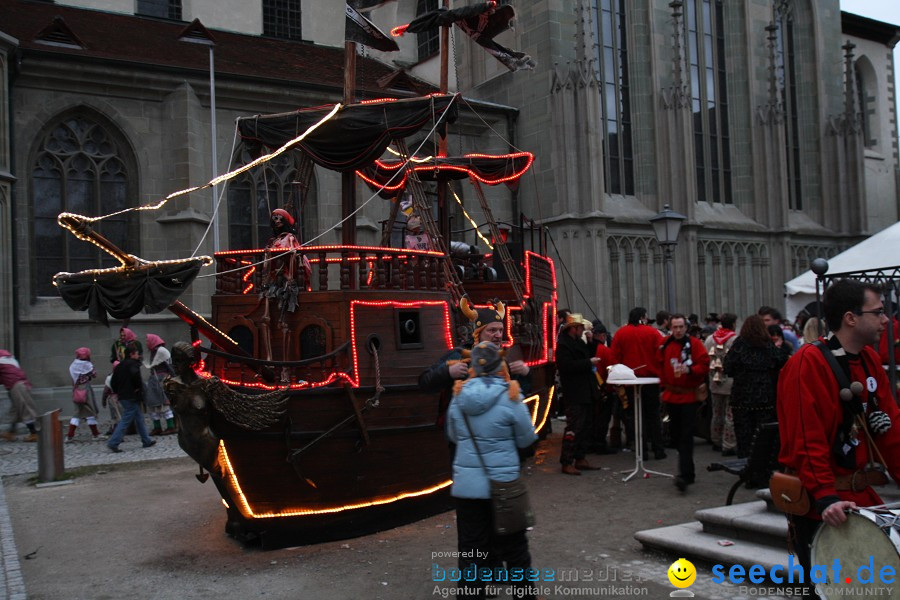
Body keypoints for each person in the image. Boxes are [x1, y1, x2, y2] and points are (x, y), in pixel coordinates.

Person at [777, 279, 900, 575]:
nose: (886, 319)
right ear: (850, 318)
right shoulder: (807, 363)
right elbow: (807, 438)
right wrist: (825, 496)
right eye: (878, 312)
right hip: (824, 504)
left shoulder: (869, 359)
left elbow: (891, 429)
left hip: (859, 498)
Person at [445, 341, 538, 600]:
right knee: (516, 549)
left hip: (467, 489)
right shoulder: (511, 396)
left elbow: (452, 435)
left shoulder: (458, 397)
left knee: (472, 550)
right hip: (504, 485)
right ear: (500, 366)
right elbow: (526, 438)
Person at [658, 314, 710, 492]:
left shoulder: (695, 345)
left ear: (686, 328)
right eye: (675, 327)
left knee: (686, 436)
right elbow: (660, 365)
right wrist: (662, 387)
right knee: (675, 436)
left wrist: (689, 369)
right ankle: (688, 471)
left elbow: (704, 365)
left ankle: (685, 475)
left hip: (689, 397)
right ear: (671, 328)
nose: (678, 330)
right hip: (672, 396)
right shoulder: (665, 345)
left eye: (681, 327)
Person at [724, 316, 789, 459]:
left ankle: (746, 467)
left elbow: (727, 367)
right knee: (764, 438)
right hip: (764, 398)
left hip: (741, 398)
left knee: (744, 437)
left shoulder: (739, 344)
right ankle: (762, 469)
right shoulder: (767, 344)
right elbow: (782, 361)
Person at [610, 306, 666, 459]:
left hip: (630, 382)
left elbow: (614, 358)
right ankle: (658, 449)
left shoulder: (621, 333)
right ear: (643, 317)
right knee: (653, 416)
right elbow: (662, 354)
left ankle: (642, 451)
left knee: (635, 416)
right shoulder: (652, 333)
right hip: (651, 380)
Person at [556, 313, 602, 475]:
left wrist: (590, 343)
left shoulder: (578, 342)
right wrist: (588, 362)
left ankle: (580, 457)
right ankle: (566, 460)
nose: (583, 330)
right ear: (574, 329)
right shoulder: (563, 345)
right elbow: (567, 366)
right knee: (574, 427)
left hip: (586, 390)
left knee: (586, 426)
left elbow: (586, 355)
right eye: (581, 327)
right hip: (575, 392)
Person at [107, 341, 157, 453]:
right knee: (126, 419)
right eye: (136, 353)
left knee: (139, 418)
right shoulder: (133, 364)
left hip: (123, 395)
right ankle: (113, 442)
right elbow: (136, 377)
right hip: (131, 395)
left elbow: (113, 381)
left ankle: (146, 440)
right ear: (132, 354)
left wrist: (117, 391)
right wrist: (138, 388)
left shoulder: (120, 366)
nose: (138, 355)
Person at [704, 312, 737, 456]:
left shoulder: (710, 339)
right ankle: (728, 443)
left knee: (717, 413)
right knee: (730, 415)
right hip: (730, 382)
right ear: (733, 324)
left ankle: (716, 439)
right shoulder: (735, 339)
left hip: (715, 381)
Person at [66, 347, 104, 442]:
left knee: (77, 412)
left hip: (76, 389)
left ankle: (70, 436)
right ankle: (95, 434)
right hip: (85, 389)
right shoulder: (87, 364)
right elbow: (94, 374)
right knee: (90, 411)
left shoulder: (73, 364)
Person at [0, 350, 39, 442]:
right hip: (16, 384)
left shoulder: (2, 362)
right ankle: (11, 432)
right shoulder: (8, 360)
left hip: (16, 385)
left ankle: (34, 433)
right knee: (16, 410)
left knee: (25, 409)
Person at [144, 334, 176, 435]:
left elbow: (169, 366)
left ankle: (171, 426)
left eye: (147, 340)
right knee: (154, 404)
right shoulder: (153, 352)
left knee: (164, 403)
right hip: (154, 381)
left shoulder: (161, 351)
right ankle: (157, 427)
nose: (146, 343)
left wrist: (173, 378)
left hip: (162, 381)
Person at [101, 363, 122, 437]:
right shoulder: (124, 376)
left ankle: (116, 431)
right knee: (120, 415)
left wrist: (103, 401)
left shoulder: (110, 377)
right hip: (122, 398)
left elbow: (106, 390)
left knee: (115, 416)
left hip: (113, 398)